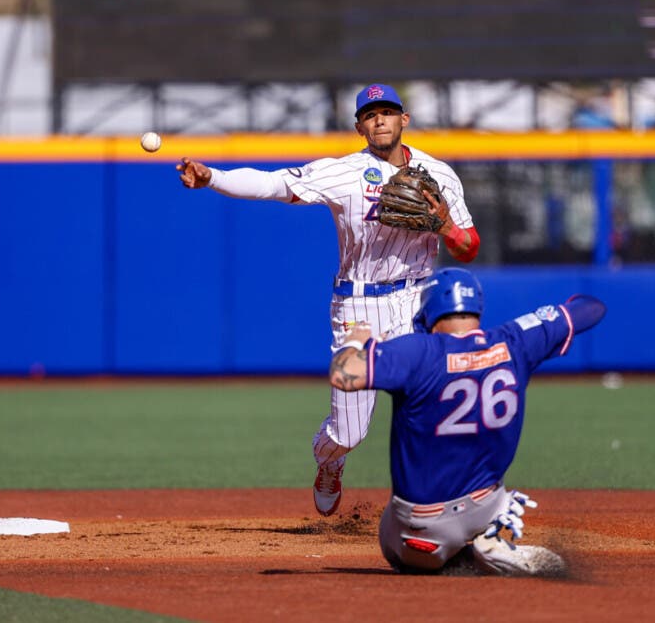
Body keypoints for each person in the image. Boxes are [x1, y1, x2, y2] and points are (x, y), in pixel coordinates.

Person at [177, 84, 480, 516]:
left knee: (439, 403)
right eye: (370, 114)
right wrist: (213, 178)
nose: (379, 119)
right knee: (349, 432)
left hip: (418, 301)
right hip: (359, 306)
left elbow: (469, 247)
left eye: (387, 111)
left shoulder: (440, 175)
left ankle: (449, 500)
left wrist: (446, 226)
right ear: (359, 127)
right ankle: (329, 461)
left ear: (404, 119)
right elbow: (274, 184)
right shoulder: (344, 173)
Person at [328, 267, 605, 576]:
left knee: (394, 544)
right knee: (487, 484)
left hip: (416, 529)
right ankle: (489, 535)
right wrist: (554, 315)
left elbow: (343, 373)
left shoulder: (417, 351)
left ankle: (446, 552)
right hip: (482, 507)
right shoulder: (514, 340)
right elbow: (591, 308)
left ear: (429, 312)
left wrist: (355, 342)